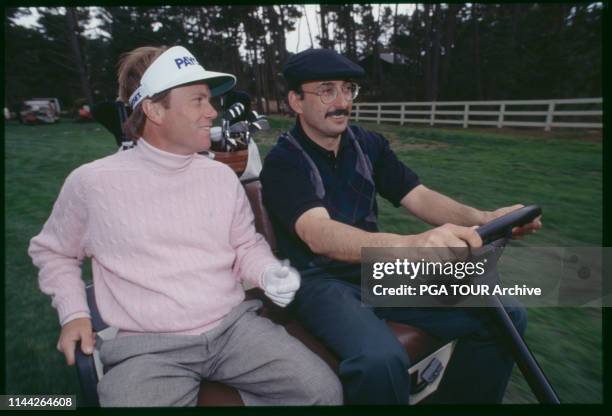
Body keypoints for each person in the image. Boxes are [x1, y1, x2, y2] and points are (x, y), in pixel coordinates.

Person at [28, 45, 342, 407]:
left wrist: (268, 271)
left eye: (210, 100)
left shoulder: (220, 178)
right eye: (197, 100)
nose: (213, 112)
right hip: (147, 348)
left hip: (233, 328)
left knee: (322, 392)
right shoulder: (93, 184)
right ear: (154, 109)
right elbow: (53, 252)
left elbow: (245, 246)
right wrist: (74, 314)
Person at [260, 48, 542, 405]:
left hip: (374, 272)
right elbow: (319, 234)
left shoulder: (367, 145)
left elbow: (419, 197)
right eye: (327, 90)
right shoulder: (283, 163)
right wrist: (411, 246)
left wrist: (485, 218)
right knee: (379, 360)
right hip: (319, 281)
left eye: (348, 89)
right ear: (296, 101)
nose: (342, 101)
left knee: (504, 314)